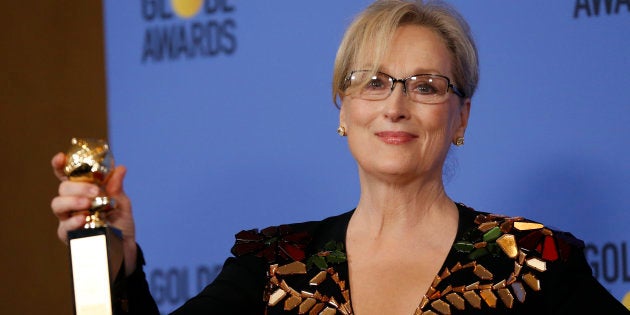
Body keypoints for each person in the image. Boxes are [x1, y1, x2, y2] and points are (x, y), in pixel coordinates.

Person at [51, 0, 629, 314]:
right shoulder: (274, 266)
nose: (395, 106)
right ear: (343, 108)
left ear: (462, 117)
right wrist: (116, 258)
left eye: (426, 85)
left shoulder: (535, 262)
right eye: (372, 82)